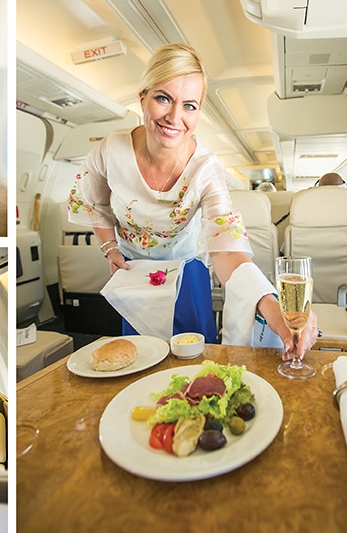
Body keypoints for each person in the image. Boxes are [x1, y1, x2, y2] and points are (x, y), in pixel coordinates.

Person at [67, 43, 318, 359]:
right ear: (142, 96)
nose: (174, 117)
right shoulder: (108, 152)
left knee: (195, 358)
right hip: (134, 274)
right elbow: (96, 206)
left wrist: (270, 305)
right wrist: (110, 249)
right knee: (139, 358)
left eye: (189, 105)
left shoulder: (205, 169)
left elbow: (227, 249)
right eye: (163, 98)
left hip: (187, 272)